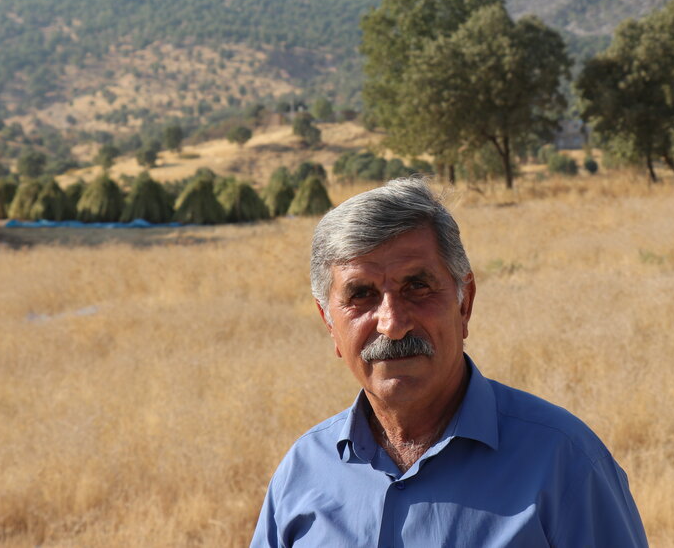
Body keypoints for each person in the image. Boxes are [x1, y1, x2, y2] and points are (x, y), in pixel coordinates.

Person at [250, 177, 647, 547]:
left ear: (465, 304)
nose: (392, 324)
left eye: (416, 286)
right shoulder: (302, 472)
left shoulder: (565, 461)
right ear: (329, 324)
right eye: (362, 295)